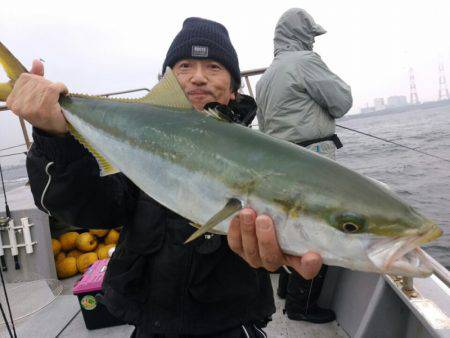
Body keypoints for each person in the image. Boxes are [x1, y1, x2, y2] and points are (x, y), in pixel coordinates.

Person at [7, 18, 323, 337]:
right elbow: (89, 208)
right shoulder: (132, 149)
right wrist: (53, 137)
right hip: (148, 325)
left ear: (233, 90)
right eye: (184, 65)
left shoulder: (262, 160)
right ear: (165, 81)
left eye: (214, 66)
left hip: (230, 323)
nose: (198, 77)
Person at [256, 8, 353, 324]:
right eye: (312, 34)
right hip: (312, 163)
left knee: (291, 227)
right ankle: (302, 306)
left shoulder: (267, 75)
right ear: (303, 34)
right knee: (318, 234)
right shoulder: (305, 62)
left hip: (281, 164)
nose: (314, 41)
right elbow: (342, 100)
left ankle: (286, 289)